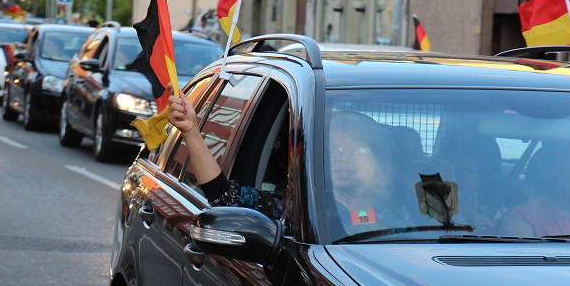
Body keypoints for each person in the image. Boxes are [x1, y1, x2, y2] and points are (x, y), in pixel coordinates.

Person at [167, 93, 400, 230]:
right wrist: (192, 133)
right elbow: (223, 196)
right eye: (334, 148)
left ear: (377, 162)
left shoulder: (400, 215)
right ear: (318, 160)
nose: (344, 156)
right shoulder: (291, 205)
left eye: (360, 148)